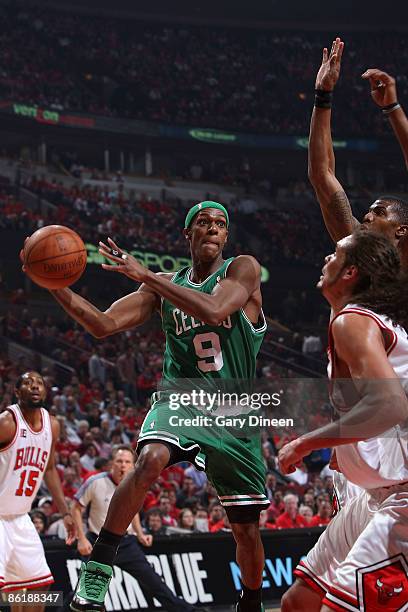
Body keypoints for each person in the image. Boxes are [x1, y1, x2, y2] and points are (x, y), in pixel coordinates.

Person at [22, 201, 268, 612]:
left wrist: (146, 275)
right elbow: (102, 324)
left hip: (234, 413)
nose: (212, 229)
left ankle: (253, 600)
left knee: (245, 529)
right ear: (187, 234)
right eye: (202, 223)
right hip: (182, 399)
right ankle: (97, 570)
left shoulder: (241, 268)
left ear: (226, 236)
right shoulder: (161, 287)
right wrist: (51, 282)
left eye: (220, 224)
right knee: (150, 457)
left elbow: (214, 308)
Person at [279, 231, 408, 611]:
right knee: (298, 602)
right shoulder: (364, 319)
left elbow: (391, 406)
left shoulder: (353, 321)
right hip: (379, 491)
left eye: (334, 254)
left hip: (403, 493)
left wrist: (306, 443)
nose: (325, 259)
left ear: (350, 271)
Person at [308, 37, 408, 249]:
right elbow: (322, 174)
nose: (367, 217)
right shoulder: (362, 250)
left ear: (401, 230)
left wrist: (392, 107)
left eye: (379, 213)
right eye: (371, 211)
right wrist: (323, 95)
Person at [71, 445, 195, 612]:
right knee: (84, 591)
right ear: (111, 464)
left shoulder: (133, 484)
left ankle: (189, 611)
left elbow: (131, 511)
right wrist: (82, 538)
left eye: (127, 462)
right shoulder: (96, 481)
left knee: (154, 583)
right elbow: (76, 508)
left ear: (133, 465)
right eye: (119, 461)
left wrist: (140, 533)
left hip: (126, 543)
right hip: (98, 543)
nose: (123, 465)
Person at [0, 371, 76, 608]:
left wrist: (65, 512)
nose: (34, 386)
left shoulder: (52, 425)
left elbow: (50, 469)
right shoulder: (6, 422)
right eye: (27, 383)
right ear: (16, 392)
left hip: (20, 518)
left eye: (39, 383)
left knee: (40, 584)